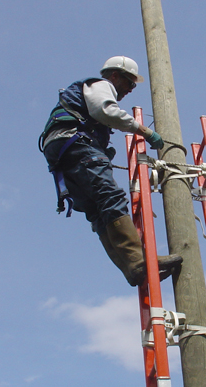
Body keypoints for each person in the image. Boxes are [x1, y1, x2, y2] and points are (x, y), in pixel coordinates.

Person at [39, 56, 182, 287]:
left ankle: (132, 267)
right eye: (129, 83)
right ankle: (138, 259)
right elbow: (106, 111)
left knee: (97, 211)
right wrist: (145, 131)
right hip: (76, 143)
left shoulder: (84, 94)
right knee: (110, 197)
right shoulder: (100, 85)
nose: (130, 89)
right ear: (114, 75)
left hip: (63, 152)